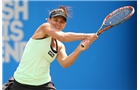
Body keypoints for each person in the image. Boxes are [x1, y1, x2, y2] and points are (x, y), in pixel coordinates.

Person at [4, 6, 98, 90]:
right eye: (55, 20)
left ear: (65, 25)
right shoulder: (44, 28)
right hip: (20, 83)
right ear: (49, 20)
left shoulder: (60, 46)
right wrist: (87, 35)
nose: (58, 23)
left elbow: (65, 63)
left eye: (62, 22)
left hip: (43, 84)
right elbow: (63, 37)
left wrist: (79, 49)